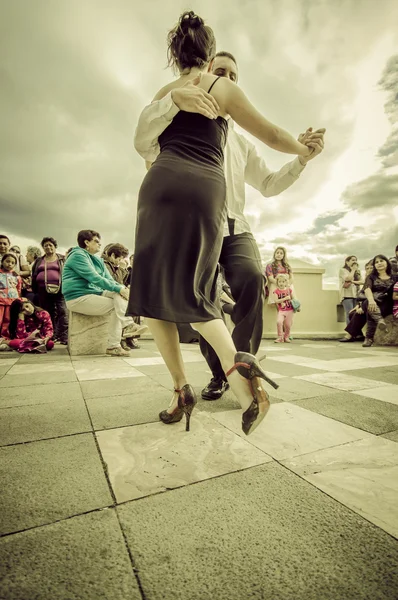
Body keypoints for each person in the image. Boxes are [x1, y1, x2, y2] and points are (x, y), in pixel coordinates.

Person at [127, 10, 318, 435]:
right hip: (202, 194)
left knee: (155, 291)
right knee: (194, 296)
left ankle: (183, 386)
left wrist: (170, 102)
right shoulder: (215, 91)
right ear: (209, 58)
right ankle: (240, 386)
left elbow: (142, 144)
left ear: (175, 56)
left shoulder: (166, 91)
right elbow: (273, 133)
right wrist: (302, 148)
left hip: (160, 189)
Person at [62, 230, 138, 357]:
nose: (100, 244)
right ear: (86, 242)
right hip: (77, 297)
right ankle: (117, 341)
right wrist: (120, 289)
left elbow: (110, 281)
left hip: (93, 294)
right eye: (96, 241)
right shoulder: (78, 255)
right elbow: (95, 278)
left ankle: (127, 328)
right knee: (116, 301)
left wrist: (122, 289)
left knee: (118, 295)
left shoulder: (98, 260)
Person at [102, 243, 148, 349]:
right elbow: (115, 282)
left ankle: (128, 336)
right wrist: (122, 268)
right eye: (120, 258)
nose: (121, 261)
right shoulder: (104, 264)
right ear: (113, 255)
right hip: (106, 293)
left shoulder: (112, 264)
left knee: (132, 307)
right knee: (124, 306)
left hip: (112, 292)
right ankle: (125, 337)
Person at [31, 237, 69, 344]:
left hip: (60, 289)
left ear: (55, 246)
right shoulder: (39, 260)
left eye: (50, 245)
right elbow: (33, 273)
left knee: (63, 311)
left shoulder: (62, 259)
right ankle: (50, 335)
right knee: (48, 312)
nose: (48, 247)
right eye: (45, 245)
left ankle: (64, 336)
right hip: (43, 290)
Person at [362, 255, 397, 347]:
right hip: (375, 301)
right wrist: (371, 300)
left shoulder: (395, 277)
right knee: (368, 304)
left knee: (370, 309)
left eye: (381, 261)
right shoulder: (371, 277)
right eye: (376, 262)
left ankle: (368, 338)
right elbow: (367, 288)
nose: (379, 263)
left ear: (387, 262)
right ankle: (379, 321)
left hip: (389, 303)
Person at [339, 260, 373, 342]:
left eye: (371, 268)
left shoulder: (373, 279)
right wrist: (358, 306)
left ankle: (350, 335)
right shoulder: (343, 270)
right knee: (351, 313)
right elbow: (362, 294)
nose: (369, 270)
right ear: (347, 262)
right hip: (350, 297)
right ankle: (359, 335)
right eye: (367, 268)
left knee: (357, 314)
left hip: (371, 304)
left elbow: (373, 296)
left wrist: (363, 307)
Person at [0, 253, 22, 338]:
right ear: (2, 262)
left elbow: (18, 288)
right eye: (7, 261)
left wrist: (18, 299)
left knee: (8, 320)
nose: (10, 264)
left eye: (12, 263)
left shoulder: (16, 276)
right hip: (1, 300)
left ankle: (5, 336)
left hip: (12, 301)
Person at [272, 274, 297, 343]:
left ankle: (286, 337)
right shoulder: (276, 291)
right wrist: (284, 298)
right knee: (279, 322)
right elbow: (276, 301)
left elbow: (294, 299)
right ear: (277, 282)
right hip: (281, 311)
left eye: (283, 282)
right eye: (279, 282)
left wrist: (297, 307)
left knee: (288, 325)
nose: (281, 283)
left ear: (286, 282)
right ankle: (280, 337)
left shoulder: (289, 290)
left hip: (290, 310)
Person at [339, 256, 359, 324]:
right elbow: (348, 278)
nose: (355, 262)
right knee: (349, 314)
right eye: (353, 260)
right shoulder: (343, 270)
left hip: (356, 295)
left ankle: (355, 331)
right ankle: (349, 332)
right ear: (347, 262)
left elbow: (361, 281)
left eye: (356, 260)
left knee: (356, 315)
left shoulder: (357, 271)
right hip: (346, 295)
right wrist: (353, 270)